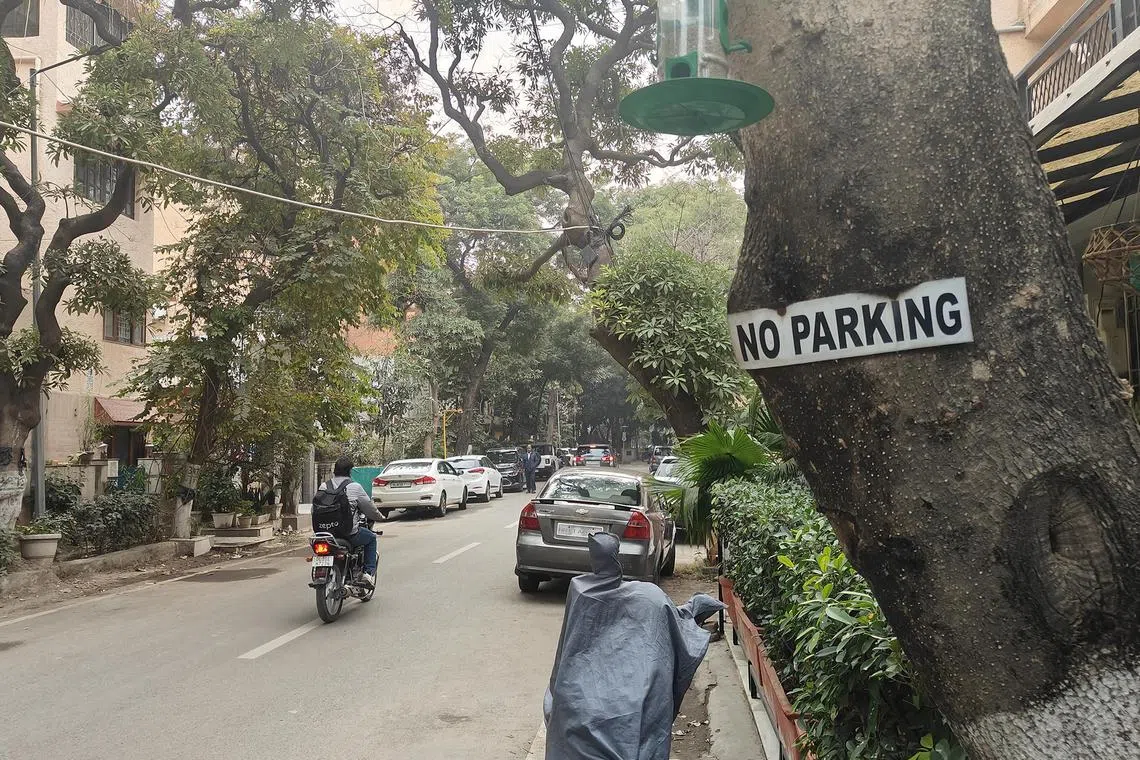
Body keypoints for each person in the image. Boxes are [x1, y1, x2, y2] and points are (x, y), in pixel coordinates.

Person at [544, 532, 724, 760]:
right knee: (650, 712)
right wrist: (694, 610)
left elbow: (565, 652)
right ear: (617, 557)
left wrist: (557, 694)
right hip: (631, 700)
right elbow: (674, 621)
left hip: (577, 698)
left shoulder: (580, 589)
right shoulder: (648, 595)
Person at [320, 455, 385, 588]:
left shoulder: (324, 486)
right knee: (371, 538)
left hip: (325, 533)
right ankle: (368, 574)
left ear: (334, 470)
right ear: (350, 471)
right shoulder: (354, 487)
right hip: (348, 533)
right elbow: (369, 508)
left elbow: (314, 509)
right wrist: (380, 517)